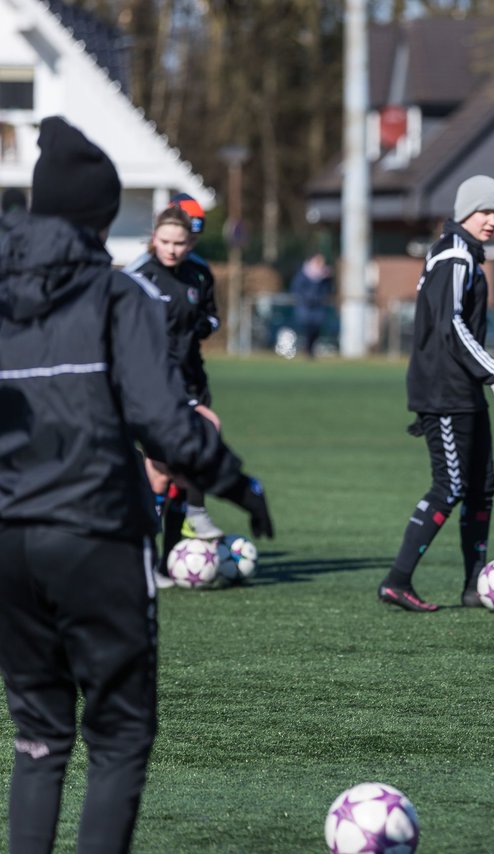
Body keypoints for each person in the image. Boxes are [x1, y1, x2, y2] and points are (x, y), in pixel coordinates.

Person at [0, 116, 273, 854]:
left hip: (10, 546)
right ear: (97, 215)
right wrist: (237, 481)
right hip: (96, 536)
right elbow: (166, 424)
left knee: (39, 736)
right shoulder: (119, 298)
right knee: (118, 733)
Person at [379, 175, 494, 612]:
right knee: (451, 485)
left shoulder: (465, 256)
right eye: (484, 211)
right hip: (443, 389)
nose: (492, 220)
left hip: (462, 388)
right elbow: (451, 326)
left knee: (482, 486)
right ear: (464, 212)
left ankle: (473, 585)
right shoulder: (455, 256)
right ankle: (397, 580)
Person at [129, 206, 226, 549]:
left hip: (191, 380)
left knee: (166, 475)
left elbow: (212, 316)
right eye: (166, 241)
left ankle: (164, 558)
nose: (172, 249)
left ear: (191, 243)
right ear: (154, 238)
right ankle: (192, 516)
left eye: (180, 243)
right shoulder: (137, 277)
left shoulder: (198, 274)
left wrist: (204, 325)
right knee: (186, 451)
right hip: (152, 386)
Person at [290, 252, 333, 358]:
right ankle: (306, 350)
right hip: (305, 306)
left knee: (316, 329)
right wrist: (306, 298)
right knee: (307, 328)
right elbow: (296, 288)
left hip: (318, 306)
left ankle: (311, 350)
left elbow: (328, 289)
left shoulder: (325, 276)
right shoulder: (304, 274)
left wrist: (328, 279)